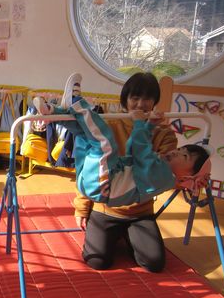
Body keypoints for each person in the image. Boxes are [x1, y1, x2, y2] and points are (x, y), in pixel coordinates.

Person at [34, 72, 183, 272]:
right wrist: (82, 207)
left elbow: (158, 169)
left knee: (153, 263)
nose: (140, 104)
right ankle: (60, 109)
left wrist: (191, 178)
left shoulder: (164, 133)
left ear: (154, 101)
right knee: (97, 261)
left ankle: (69, 104)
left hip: (139, 212)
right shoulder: (109, 123)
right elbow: (89, 169)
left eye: (147, 99)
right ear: (125, 100)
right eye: (135, 98)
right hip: (106, 207)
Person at [33, 77, 210, 208]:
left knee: (105, 144)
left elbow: (141, 152)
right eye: (135, 98)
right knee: (86, 136)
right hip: (94, 184)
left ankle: (76, 101)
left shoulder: (164, 175)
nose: (176, 152)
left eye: (184, 156)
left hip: (104, 188)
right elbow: (134, 150)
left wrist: (142, 124)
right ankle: (54, 113)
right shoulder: (115, 123)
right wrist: (147, 126)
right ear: (125, 101)